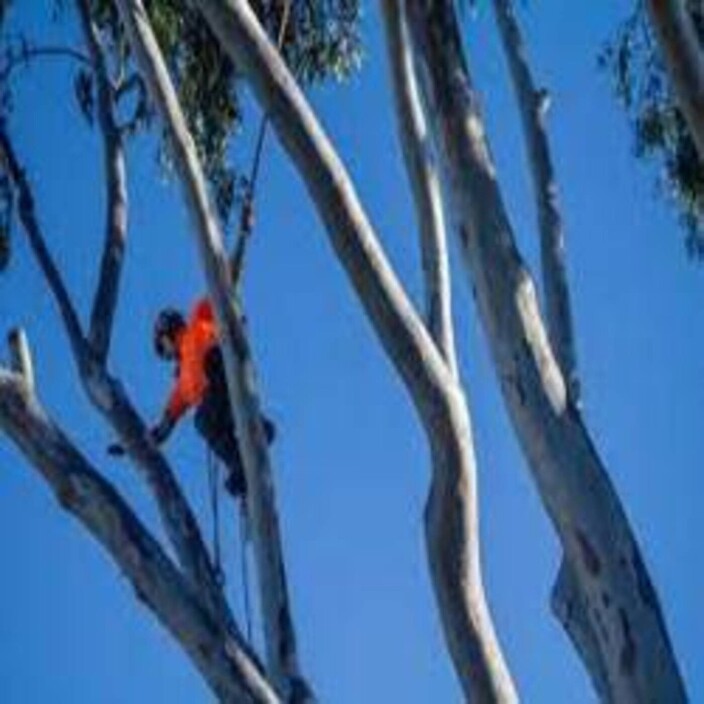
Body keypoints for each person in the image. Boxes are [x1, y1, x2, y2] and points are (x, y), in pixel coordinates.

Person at [108, 298, 274, 498]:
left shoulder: (197, 321)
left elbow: (222, 292)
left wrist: (236, 318)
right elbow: (162, 429)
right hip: (218, 405)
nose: (166, 354)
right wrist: (130, 444)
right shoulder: (182, 386)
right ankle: (248, 449)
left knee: (205, 415)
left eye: (162, 347)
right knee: (207, 420)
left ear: (166, 334)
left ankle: (248, 447)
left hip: (224, 373)